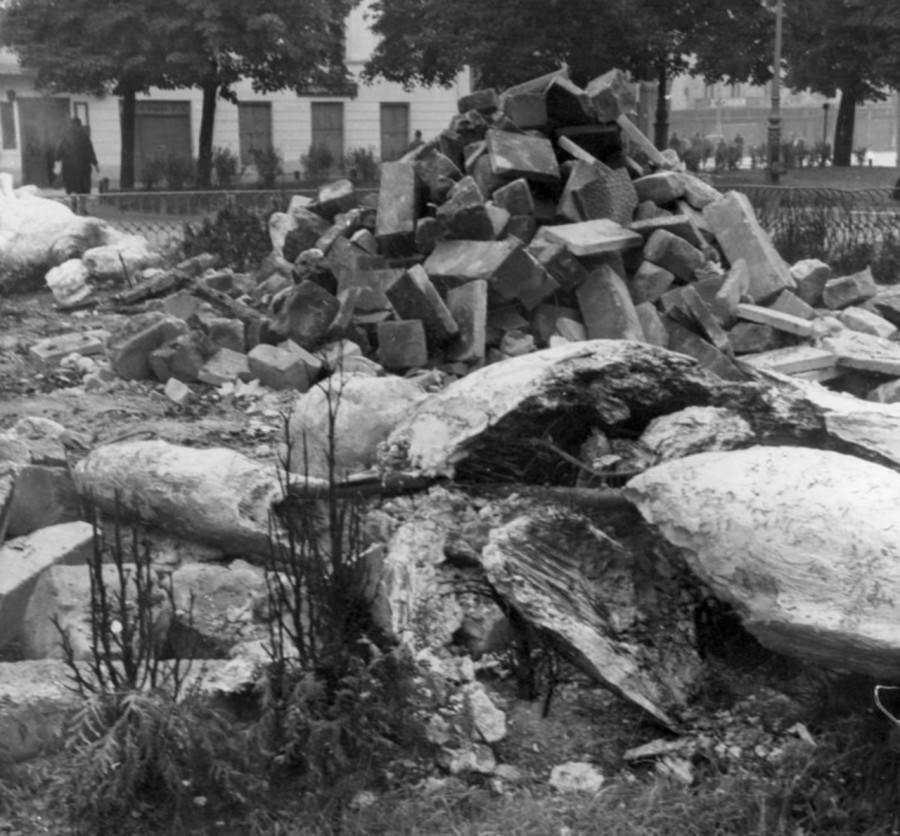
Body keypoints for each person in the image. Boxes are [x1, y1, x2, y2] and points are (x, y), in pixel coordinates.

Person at [56, 117, 99, 195]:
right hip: (83, 167)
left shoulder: (66, 137)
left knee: (72, 187)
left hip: (69, 167)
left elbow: (59, 151)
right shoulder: (84, 136)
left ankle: (74, 204)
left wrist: (57, 160)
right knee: (84, 187)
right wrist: (95, 164)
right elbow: (90, 151)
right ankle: (82, 205)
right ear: (80, 125)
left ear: (71, 125)